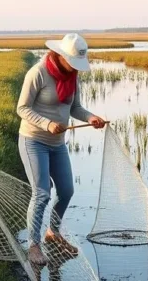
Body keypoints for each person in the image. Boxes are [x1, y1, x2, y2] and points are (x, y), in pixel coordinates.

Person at [16, 33, 106, 266]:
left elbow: (75, 108)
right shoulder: (37, 73)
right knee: (42, 193)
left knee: (66, 191)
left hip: (57, 144)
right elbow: (22, 108)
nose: (75, 68)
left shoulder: (73, 77)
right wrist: (47, 124)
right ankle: (34, 245)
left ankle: (52, 233)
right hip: (33, 140)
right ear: (61, 55)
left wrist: (92, 117)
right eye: (72, 62)